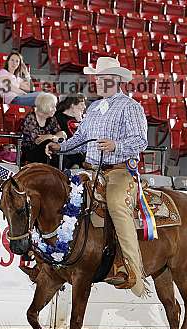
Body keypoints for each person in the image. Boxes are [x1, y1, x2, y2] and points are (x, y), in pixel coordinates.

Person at [46, 57, 149, 298]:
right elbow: (81, 139)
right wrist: (60, 147)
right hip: (91, 170)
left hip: (119, 170)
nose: (99, 82)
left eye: (104, 79)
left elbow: (140, 141)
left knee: (116, 205)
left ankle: (132, 270)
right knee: (65, 200)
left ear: (117, 80)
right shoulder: (93, 108)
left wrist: (116, 145)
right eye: (98, 78)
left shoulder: (130, 107)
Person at [20, 92, 66, 166]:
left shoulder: (52, 119)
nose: (55, 109)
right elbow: (37, 141)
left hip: (46, 149)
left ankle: (75, 164)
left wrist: (51, 136)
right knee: (49, 143)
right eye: (53, 107)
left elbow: (62, 134)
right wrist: (51, 138)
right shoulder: (31, 118)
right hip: (30, 152)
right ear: (45, 106)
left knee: (63, 143)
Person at [55, 93, 87, 169]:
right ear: (72, 105)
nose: (84, 107)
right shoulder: (59, 117)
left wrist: (80, 121)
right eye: (81, 104)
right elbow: (69, 138)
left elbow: (85, 136)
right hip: (68, 152)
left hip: (81, 151)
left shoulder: (81, 118)